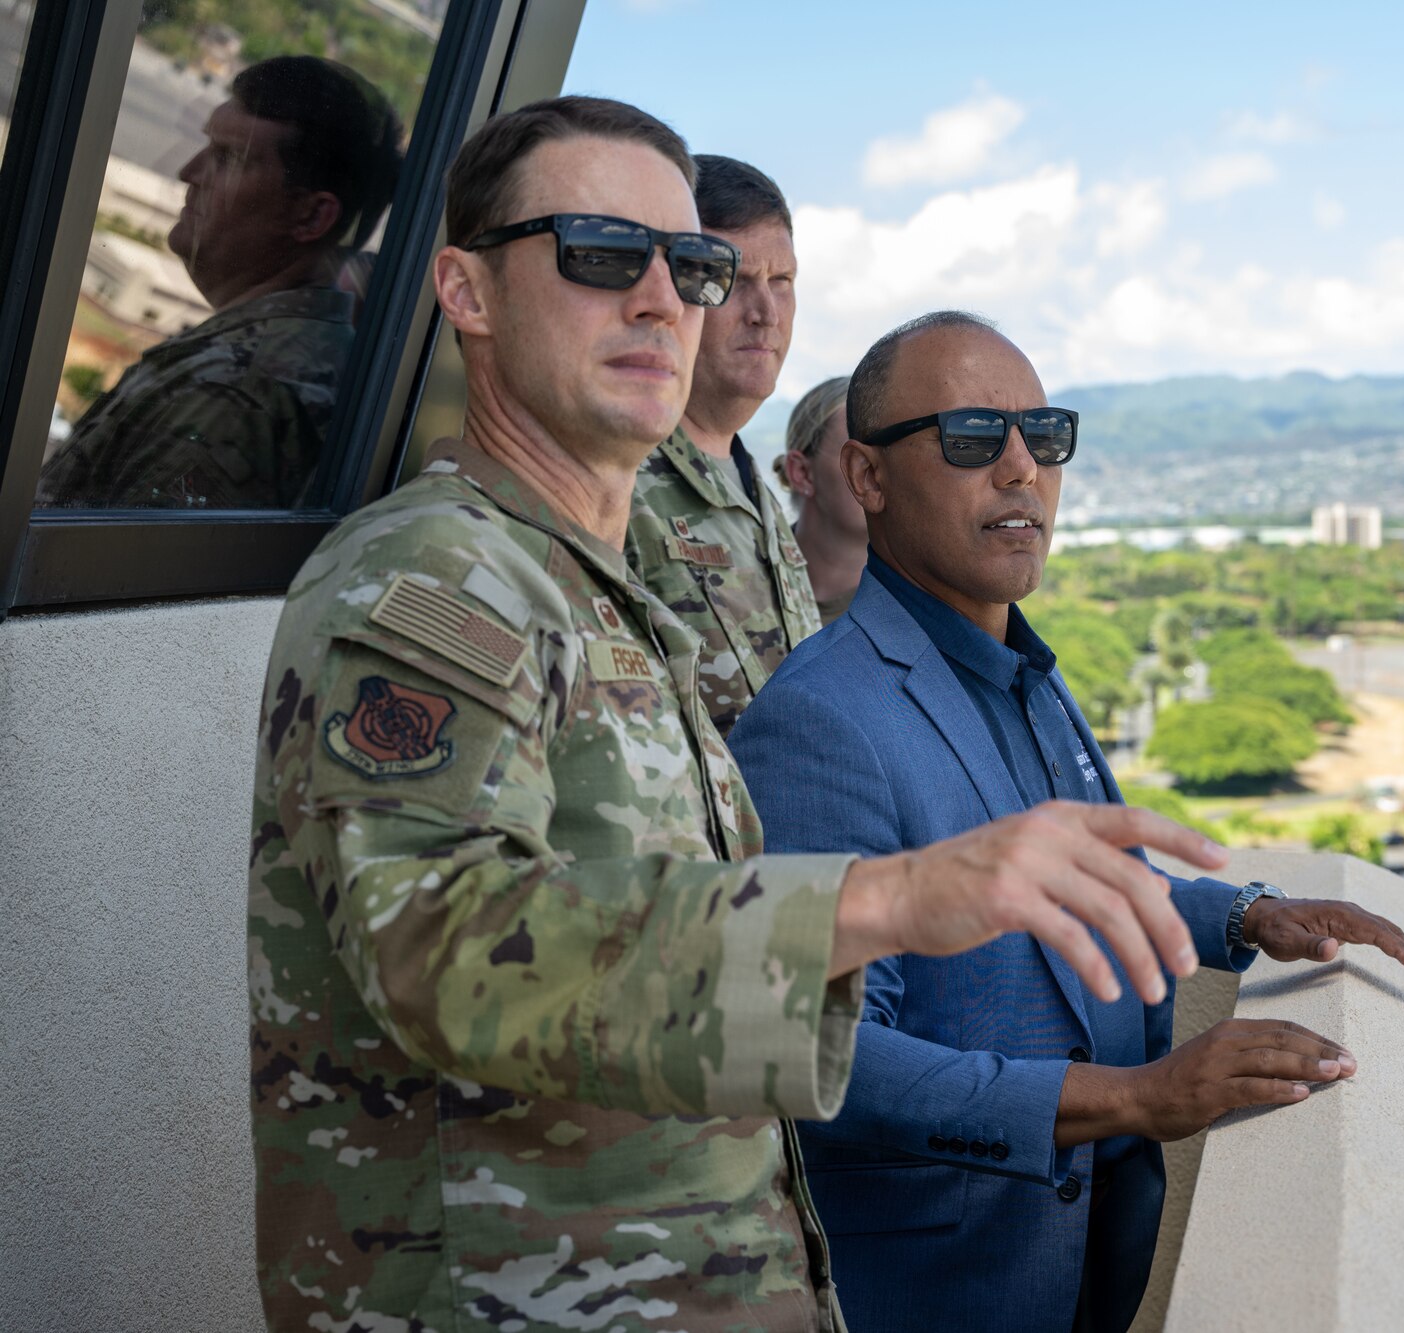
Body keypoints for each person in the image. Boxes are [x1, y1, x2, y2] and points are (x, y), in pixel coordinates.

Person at [248, 102, 1228, 1333]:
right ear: (467, 290)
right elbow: (432, 941)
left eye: (691, 265)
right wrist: (888, 899)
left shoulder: (613, 604)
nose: (666, 300)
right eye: (601, 254)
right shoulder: (434, 582)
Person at [728, 311, 1404, 1333]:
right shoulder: (822, 719)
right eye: (972, 438)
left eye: (1044, 435)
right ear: (867, 476)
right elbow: (829, 1061)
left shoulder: (1022, 672)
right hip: (938, 1294)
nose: (1020, 469)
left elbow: (1070, 890)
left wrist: (1244, 918)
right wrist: (1136, 1096)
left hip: (1085, 1270)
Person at [39, 55, 403, 509]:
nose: (188, 174)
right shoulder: (289, 355)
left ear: (311, 215)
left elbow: (98, 575)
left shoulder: (234, 393)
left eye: (228, 158)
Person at [626, 154, 817, 736]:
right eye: (728, 280)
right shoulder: (620, 483)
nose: (765, 314)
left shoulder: (754, 487)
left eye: (781, 282)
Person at [773, 376, 869, 622]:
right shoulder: (738, 585)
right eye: (858, 457)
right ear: (802, 473)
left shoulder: (923, 606)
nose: (885, 471)